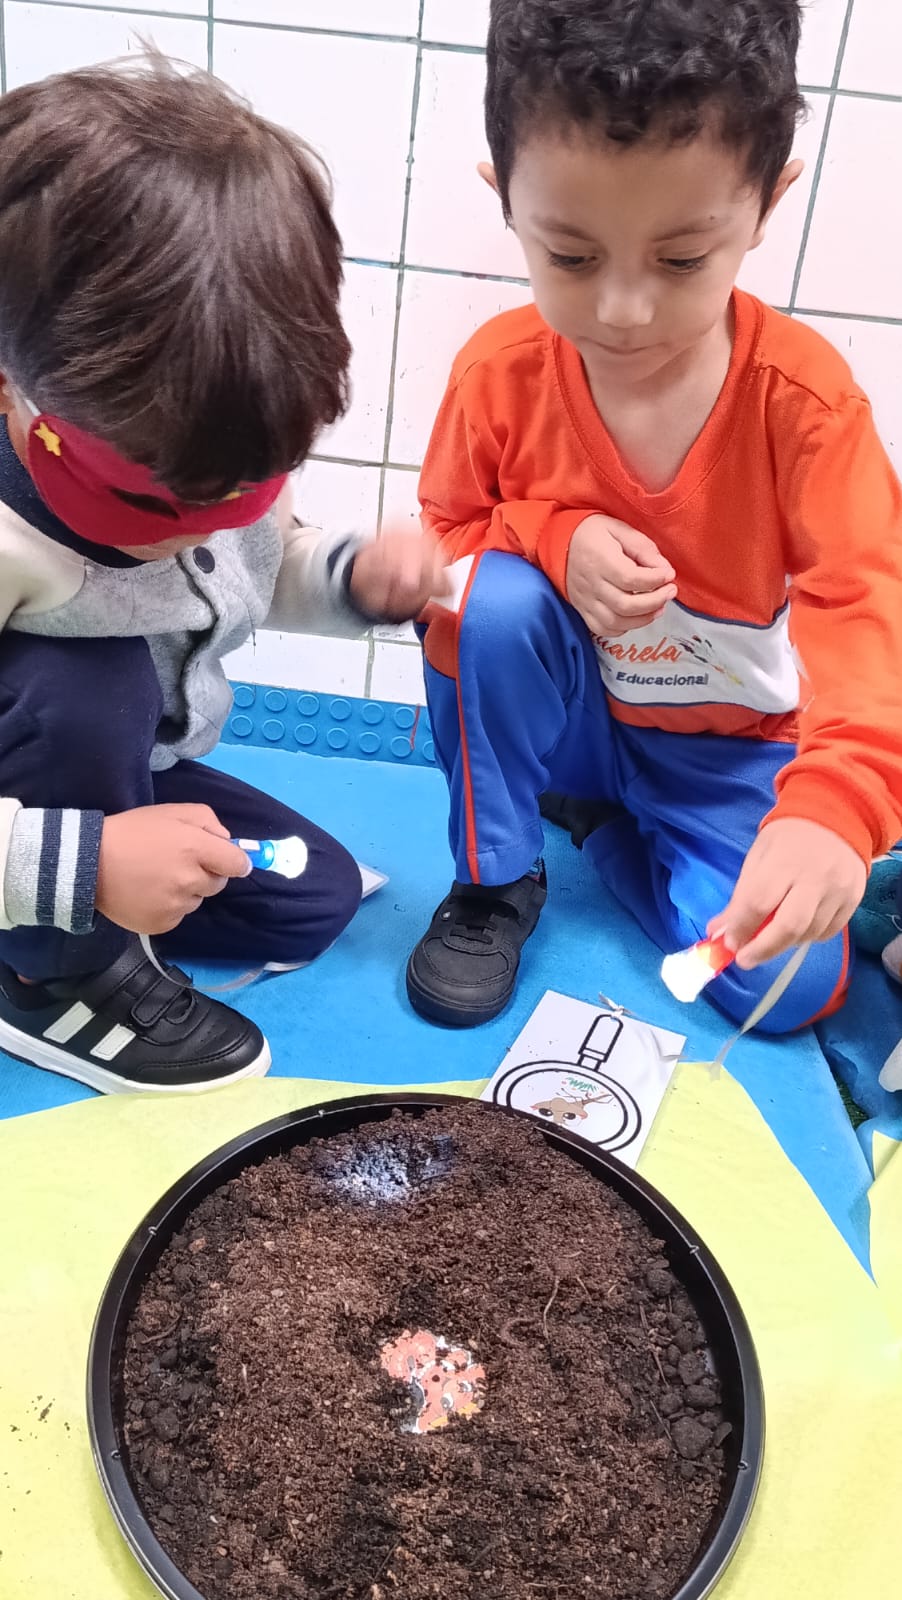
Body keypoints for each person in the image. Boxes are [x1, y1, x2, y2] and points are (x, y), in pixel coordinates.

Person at [406, 0, 902, 1033]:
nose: (622, 312)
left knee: (783, 986)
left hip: (719, 752)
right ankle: (496, 877)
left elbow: (867, 610)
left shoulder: (805, 407)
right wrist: (549, 536)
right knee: (488, 603)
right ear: (507, 202)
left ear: (765, 204)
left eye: (680, 261)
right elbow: (438, 554)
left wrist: (835, 806)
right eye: (571, 257)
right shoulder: (497, 374)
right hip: (570, 723)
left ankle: (600, 829)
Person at [0, 56, 447, 1093]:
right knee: (88, 683)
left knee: (310, 897)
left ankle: (79, 871)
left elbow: (255, 566)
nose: (193, 537)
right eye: (154, 509)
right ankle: (47, 979)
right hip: (47, 768)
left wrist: (351, 580)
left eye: (242, 494)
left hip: (123, 768)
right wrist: (80, 868)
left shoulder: (198, 436)